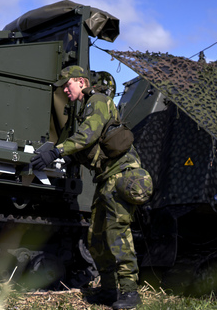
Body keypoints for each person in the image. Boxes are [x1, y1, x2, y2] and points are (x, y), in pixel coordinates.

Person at [30, 66, 152, 310]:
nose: (65, 90)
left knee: (117, 234)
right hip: (105, 178)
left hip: (121, 175)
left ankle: (129, 292)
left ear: (81, 82)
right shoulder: (83, 108)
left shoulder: (98, 101)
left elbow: (88, 135)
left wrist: (58, 150)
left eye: (68, 84)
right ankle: (108, 290)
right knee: (96, 239)